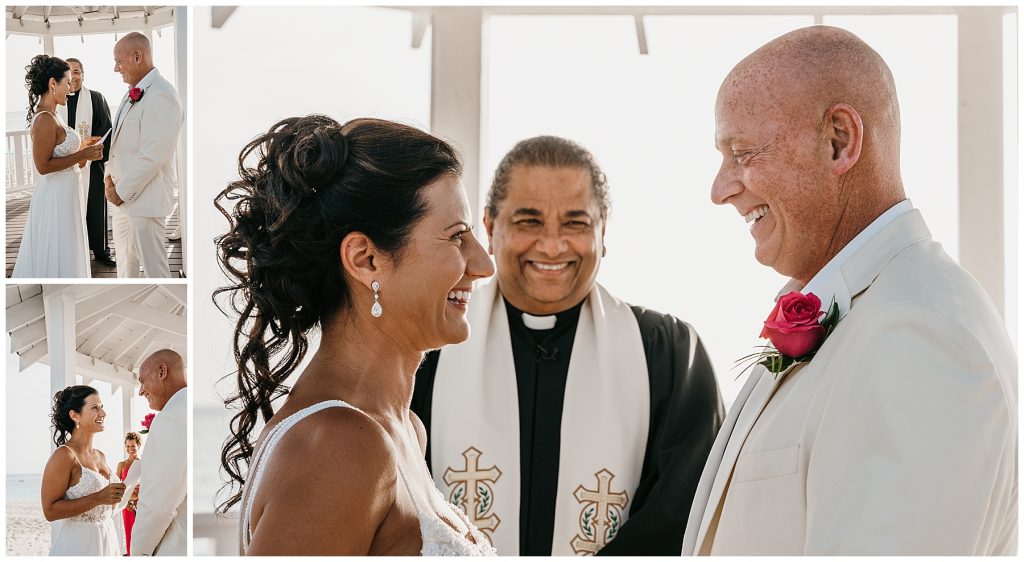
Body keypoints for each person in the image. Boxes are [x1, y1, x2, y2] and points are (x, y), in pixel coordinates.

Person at [682, 26, 1018, 556]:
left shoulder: (917, 333)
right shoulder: (871, 308)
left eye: (742, 153)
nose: (720, 189)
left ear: (839, 141)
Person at [410, 136, 724, 556]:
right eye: (529, 221)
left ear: (603, 231)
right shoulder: (431, 347)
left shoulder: (667, 353)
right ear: (489, 227)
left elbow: (681, 513)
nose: (553, 245)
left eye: (575, 223)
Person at [215, 115, 496, 555]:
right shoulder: (338, 447)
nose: (483, 264)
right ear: (365, 259)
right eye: (456, 236)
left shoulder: (404, 429)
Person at [12, 54, 104, 278]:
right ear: (53, 83)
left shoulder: (54, 115)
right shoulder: (44, 119)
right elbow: (42, 166)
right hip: (55, 197)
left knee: (67, 245)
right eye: (67, 83)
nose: (71, 89)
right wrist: (82, 153)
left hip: (66, 193)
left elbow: (61, 151)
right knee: (57, 247)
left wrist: (83, 148)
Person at [105, 32, 183, 278]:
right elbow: (120, 146)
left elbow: (154, 155)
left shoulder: (162, 95)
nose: (116, 68)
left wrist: (121, 192)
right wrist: (109, 178)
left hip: (144, 202)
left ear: (137, 56)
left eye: (119, 61)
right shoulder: (132, 92)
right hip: (122, 201)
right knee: (124, 270)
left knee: (154, 271)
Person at [41, 385, 127, 556]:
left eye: (101, 407)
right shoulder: (64, 455)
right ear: (75, 415)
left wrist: (124, 495)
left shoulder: (100, 455)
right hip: (79, 544)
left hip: (107, 538)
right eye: (94, 408)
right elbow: (49, 511)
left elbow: (108, 506)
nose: (102, 413)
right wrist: (97, 498)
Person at [57, 57, 117, 268]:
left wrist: (89, 149)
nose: (73, 77)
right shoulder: (57, 100)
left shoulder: (95, 98)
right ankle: (71, 250)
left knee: (95, 208)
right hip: (65, 166)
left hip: (91, 165)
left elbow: (106, 130)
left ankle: (101, 250)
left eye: (77, 72)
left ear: (83, 74)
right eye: (69, 72)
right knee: (68, 209)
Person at [130, 349, 187, 556]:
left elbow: (158, 505)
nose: (141, 391)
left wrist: (138, 552)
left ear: (162, 371)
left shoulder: (170, 418)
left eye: (143, 381)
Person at [116, 432, 143, 555]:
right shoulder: (121, 465)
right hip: (126, 504)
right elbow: (116, 485)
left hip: (140, 503)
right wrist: (129, 497)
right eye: (127, 446)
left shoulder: (143, 464)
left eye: (133, 446)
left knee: (141, 533)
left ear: (138, 446)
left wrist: (137, 495)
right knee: (128, 532)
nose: (130, 449)